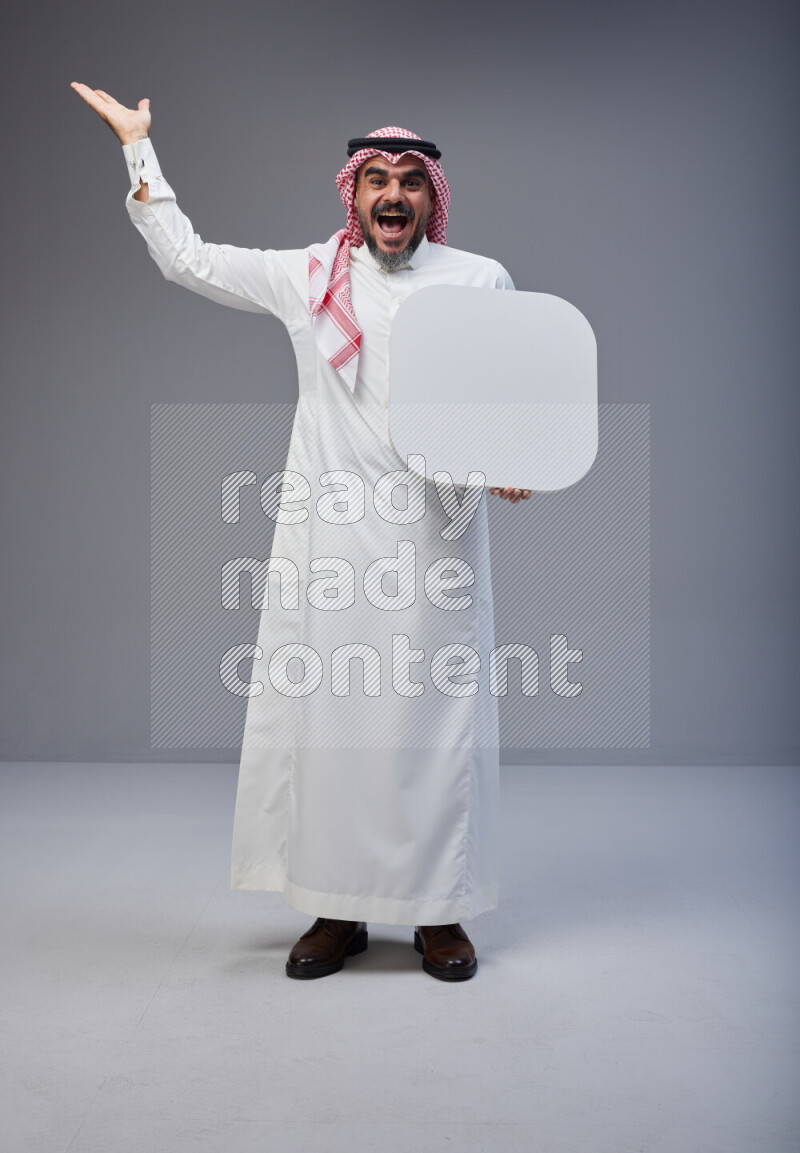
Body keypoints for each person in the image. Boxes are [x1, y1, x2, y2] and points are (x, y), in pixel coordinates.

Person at [71, 83, 531, 982]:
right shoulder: (310, 276)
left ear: (432, 198)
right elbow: (189, 259)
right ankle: (337, 907)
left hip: (437, 543)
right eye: (377, 180)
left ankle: (439, 912)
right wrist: (136, 147)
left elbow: (511, 394)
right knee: (333, 724)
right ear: (354, 193)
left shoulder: (481, 280)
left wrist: (513, 458)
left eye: (410, 181)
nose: (393, 194)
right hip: (332, 545)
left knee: (436, 726)